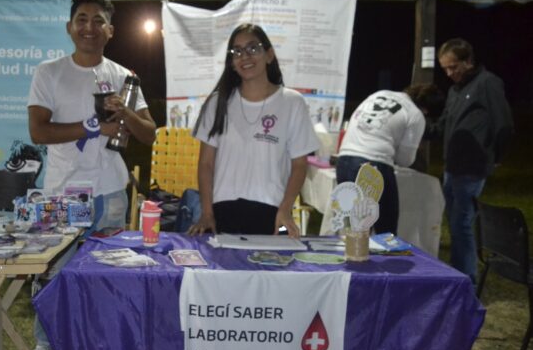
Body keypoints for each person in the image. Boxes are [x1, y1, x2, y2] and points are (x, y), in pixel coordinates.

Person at [20, 0, 156, 350]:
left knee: (107, 274)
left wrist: (125, 112)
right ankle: (45, 349)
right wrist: (94, 126)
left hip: (110, 193)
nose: (89, 27)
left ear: (110, 31)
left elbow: (149, 133)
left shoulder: (123, 76)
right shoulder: (49, 72)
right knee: (53, 273)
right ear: (69, 27)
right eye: (82, 19)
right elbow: (38, 131)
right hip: (62, 192)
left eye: (99, 21)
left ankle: (102, 347)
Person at [187, 23, 319, 237]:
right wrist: (207, 213)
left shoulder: (292, 102)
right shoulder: (217, 103)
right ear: (232, 63)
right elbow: (206, 164)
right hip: (222, 214)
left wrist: (285, 209)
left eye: (253, 48)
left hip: (274, 215)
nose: (245, 56)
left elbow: (299, 165)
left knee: (277, 259)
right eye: (237, 51)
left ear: (269, 55)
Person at [433, 38, 513, 284]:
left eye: (453, 67)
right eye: (445, 69)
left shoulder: (488, 83)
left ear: (468, 61)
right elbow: (442, 125)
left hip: (472, 168)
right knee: (455, 223)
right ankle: (459, 273)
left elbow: (504, 125)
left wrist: (495, 156)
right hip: (451, 167)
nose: (449, 73)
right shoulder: (455, 90)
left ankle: (466, 280)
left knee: (463, 223)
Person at [336, 84, 445, 234]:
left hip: (344, 159)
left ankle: (353, 249)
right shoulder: (415, 115)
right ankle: (378, 250)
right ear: (426, 110)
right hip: (373, 165)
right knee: (386, 229)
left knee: (353, 226)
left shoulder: (380, 94)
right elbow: (405, 160)